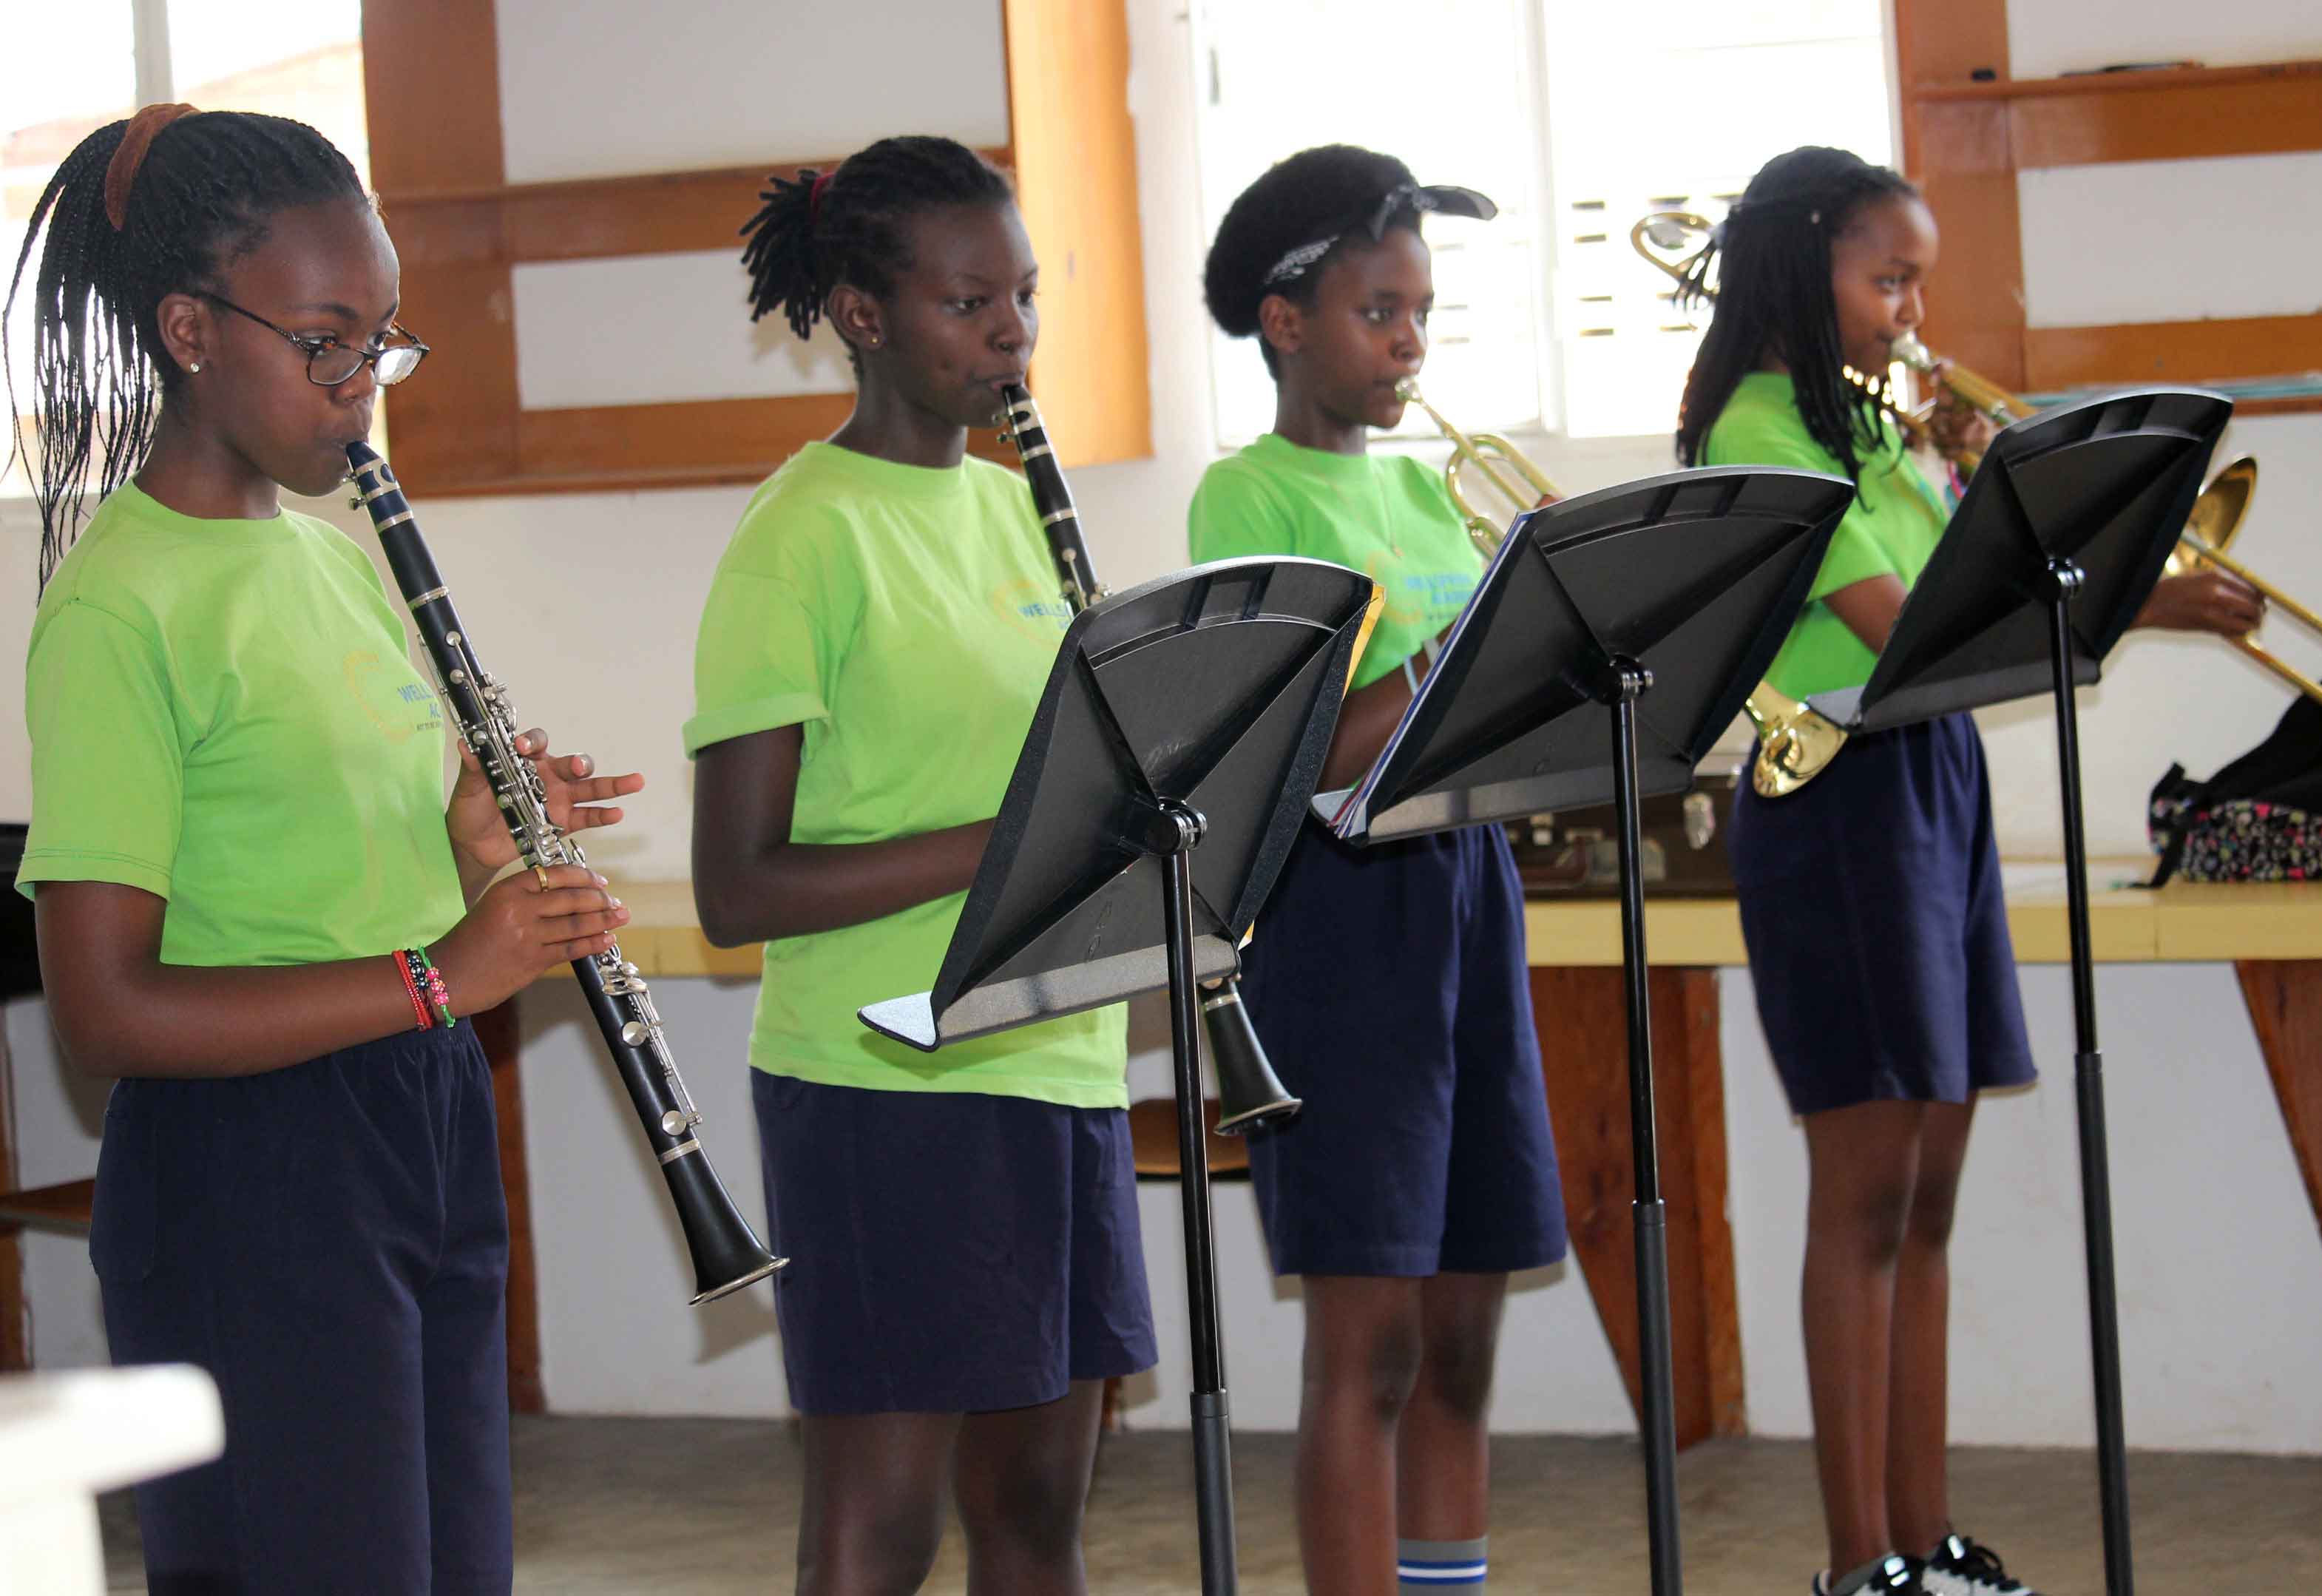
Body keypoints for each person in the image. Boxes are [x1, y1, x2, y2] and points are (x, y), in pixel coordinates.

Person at [9, 105, 637, 1592]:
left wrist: (471, 839)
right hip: (252, 1165)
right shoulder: (120, 609)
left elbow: (341, 856)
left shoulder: (333, 559)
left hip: (413, 1119)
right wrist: (441, 971)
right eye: (325, 343)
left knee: (446, 1562)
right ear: (187, 329)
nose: (362, 387)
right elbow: (107, 1010)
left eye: (384, 344)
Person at [1673, 143, 2265, 1596]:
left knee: (1924, 1193)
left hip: (1928, 783)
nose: (1905, 308)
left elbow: (1965, 608)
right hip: (1837, 800)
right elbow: (1910, 623)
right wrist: (2138, 587)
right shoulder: (1764, 427)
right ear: (1799, 268)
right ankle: (1853, 1557)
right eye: (1884, 277)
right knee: (1862, 1191)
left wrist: (2083, 548)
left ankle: (1921, 1537)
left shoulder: (1871, 426)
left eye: (1912, 280)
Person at [689, 135, 1154, 1596]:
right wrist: (1011, 837)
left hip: (1056, 1052)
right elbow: (736, 886)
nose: (1011, 331)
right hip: (882, 1080)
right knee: (881, 1523)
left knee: (1035, 1510)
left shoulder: (1021, 512)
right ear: (861, 314)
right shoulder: (797, 537)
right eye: (969, 303)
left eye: (1022, 295)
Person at [1188, 143, 1571, 1595]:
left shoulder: (1422, 497)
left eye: (1421, 312)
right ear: (1286, 322)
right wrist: (1453, 660)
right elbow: (1290, 749)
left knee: (1463, 1322)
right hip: (1338, 919)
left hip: (1466, 890)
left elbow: (1475, 719)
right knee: (1371, 1334)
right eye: (1378, 311)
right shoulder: (1246, 500)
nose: (1409, 342)